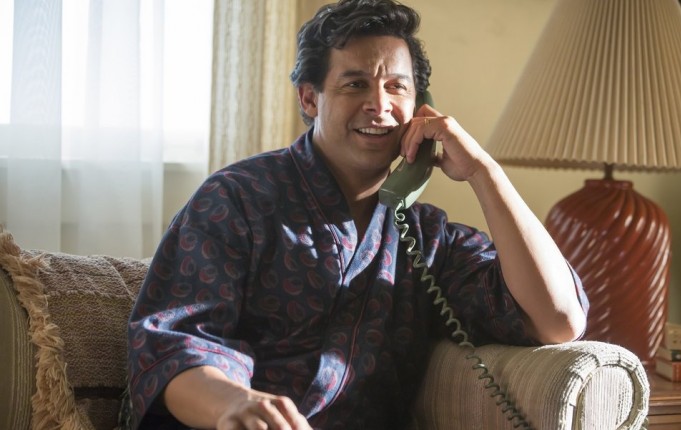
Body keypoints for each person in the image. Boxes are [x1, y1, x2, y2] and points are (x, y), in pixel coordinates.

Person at [125, 1, 588, 429]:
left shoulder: (427, 238)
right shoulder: (236, 199)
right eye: (355, 84)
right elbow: (175, 346)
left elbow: (558, 320)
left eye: (396, 87)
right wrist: (235, 404)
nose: (379, 105)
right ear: (310, 99)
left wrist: (484, 173)